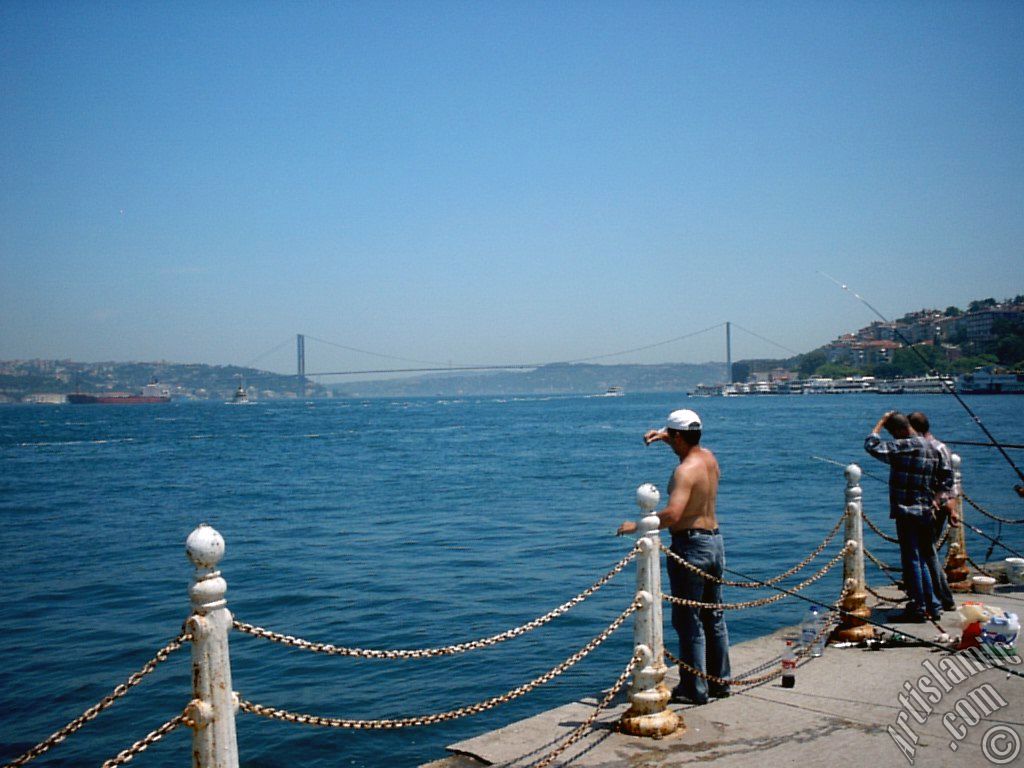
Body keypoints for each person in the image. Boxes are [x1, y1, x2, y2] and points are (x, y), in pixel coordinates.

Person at [617, 408, 731, 704]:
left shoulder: (684, 471)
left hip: (690, 547)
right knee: (713, 617)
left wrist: (636, 525)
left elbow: (673, 514)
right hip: (715, 542)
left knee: (688, 620)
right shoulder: (708, 458)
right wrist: (664, 435)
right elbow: (685, 440)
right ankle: (720, 682)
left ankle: (695, 689)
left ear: (679, 436)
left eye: (671, 435)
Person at [864, 411, 951, 621]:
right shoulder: (933, 447)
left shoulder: (905, 445)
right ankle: (934, 605)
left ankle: (919, 607)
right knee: (922, 558)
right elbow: (946, 480)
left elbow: (871, 445)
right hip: (926, 511)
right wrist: (936, 500)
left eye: (894, 433)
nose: (894, 438)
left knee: (912, 559)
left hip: (906, 510)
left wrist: (880, 422)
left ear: (901, 430)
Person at [906, 411, 958, 612]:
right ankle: (930, 595)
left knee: (926, 553)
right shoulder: (942, 447)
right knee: (928, 552)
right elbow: (951, 480)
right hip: (942, 504)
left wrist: (936, 499)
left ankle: (940, 598)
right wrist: (952, 506)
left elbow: (945, 480)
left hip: (930, 507)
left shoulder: (927, 448)